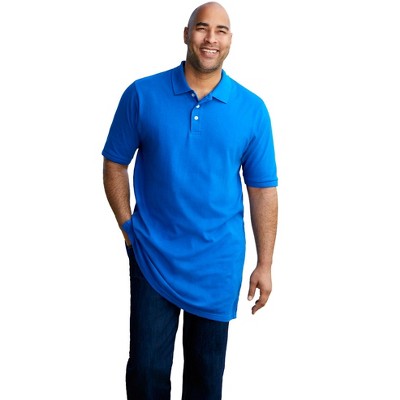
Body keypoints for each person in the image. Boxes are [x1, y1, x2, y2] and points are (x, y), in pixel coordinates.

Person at [102, 2, 278, 399]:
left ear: (230, 41)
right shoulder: (142, 94)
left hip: (218, 262)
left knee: (204, 377)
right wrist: (127, 226)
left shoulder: (252, 110)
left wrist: (265, 263)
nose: (210, 38)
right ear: (186, 34)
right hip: (152, 253)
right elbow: (114, 162)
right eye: (202, 27)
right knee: (146, 371)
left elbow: (262, 190)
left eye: (221, 30)